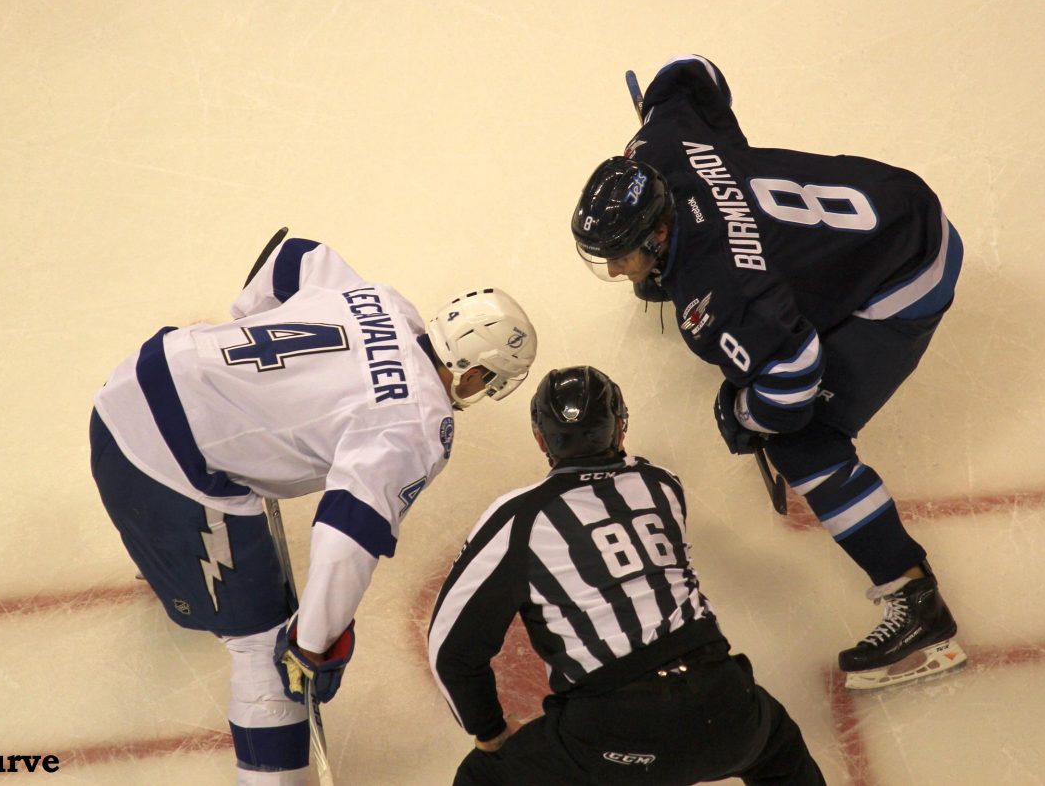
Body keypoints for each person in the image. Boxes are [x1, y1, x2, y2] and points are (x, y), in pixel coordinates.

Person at [570, 54, 966, 690]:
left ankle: (915, 600)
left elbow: (793, 377)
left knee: (803, 441)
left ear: (659, 232)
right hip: (894, 197)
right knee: (772, 339)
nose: (616, 270)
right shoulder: (660, 143)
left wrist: (745, 413)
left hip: (910, 272)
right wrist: (726, 171)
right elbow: (691, 73)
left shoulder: (717, 295)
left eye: (621, 256)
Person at [89, 232, 537, 785]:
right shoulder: (419, 424)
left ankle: (175, 565)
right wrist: (311, 641)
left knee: (223, 542)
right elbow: (348, 536)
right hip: (155, 466)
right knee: (264, 649)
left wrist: (251, 361)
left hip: (135, 379)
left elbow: (294, 255)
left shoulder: (385, 299)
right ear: (473, 373)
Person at [429, 366, 824, 785]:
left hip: (616, 731)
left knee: (483, 778)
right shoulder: (662, 484)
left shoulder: (519, 517)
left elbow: (451, 651)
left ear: (541, 439)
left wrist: (489, 730)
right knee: (776, 743)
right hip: (727, 703)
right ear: (620, 428)